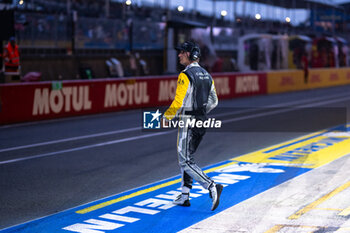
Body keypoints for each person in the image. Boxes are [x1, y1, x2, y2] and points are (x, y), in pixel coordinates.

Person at [162, 40, 223, 211]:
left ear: (190, 54)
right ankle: (184, 195)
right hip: (201, 121)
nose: (179, 55)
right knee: (188, 158)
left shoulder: (185, 75)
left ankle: (211, 186)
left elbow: (178, 101)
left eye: (182, 52)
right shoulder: (206, 74)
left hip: (188, 122)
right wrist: (200, 113)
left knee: (185, 161)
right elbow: (214, 101)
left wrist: (167, 116)